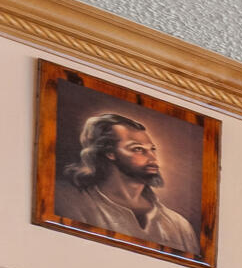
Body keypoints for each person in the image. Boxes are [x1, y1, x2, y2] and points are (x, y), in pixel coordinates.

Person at [57, 111, 204, 259]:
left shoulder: (179, 226)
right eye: (137, 149)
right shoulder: (72, 207)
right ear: (110, 153)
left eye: (152, 149)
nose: (152, 158)